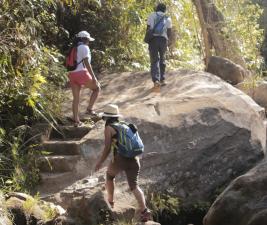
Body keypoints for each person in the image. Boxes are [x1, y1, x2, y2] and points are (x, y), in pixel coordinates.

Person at [95, 104, 151, 222]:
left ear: (106, 117)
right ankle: (145, 211)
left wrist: (100, 162)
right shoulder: (126, 125)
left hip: (120, 159)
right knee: (134, 186)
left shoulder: (109, 128)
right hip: (135, 159)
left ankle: (110, 201)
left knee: (110, 176)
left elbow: (107, 148)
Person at [68, 31, 100, 127]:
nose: (89, 42)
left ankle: (76, 121)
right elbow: (87, 63)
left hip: (72, 74)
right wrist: (93, 77)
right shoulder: (84, 47)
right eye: (88, 40)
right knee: (97, 88)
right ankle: (89, 109)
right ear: (85, 39)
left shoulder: (74, 47)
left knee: (76, 99)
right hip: (81, 73)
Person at [146, 3, 172, 91]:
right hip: (163, 40)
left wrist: (148, 39)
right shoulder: (168, 18)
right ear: (165, 10)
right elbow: (169, 32)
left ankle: (156, 81)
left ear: (157, 9)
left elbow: (148, 28)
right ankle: (163, 79)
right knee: (162, 59)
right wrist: (167, 42)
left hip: (153, 40)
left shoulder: (152, 15)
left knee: (154, 60)